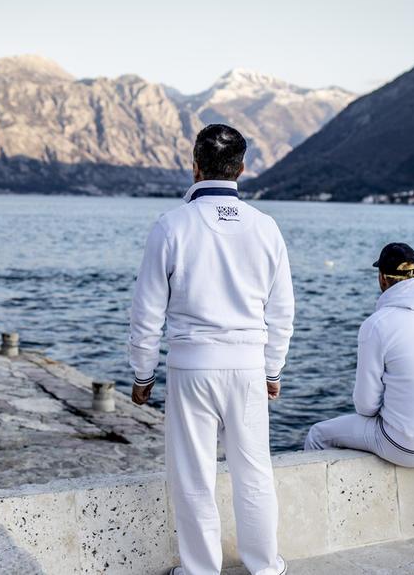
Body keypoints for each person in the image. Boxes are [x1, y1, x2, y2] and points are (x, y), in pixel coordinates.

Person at [129, 124, 294, 575]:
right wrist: (272, 370)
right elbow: (281, 311)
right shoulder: (266, 228)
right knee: (254, 472)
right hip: (247, 367)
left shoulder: (170, 225)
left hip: (191, 367)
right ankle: (265, 566)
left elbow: (147, 313)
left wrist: (143, 375)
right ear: (242, 168)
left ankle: (200, 570)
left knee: (193, 478)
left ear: (194, 165)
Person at [304, 243, 414, 467]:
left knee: (317, 435)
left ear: (382, 279)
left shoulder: (378, 325)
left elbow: (365, 406)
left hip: (406, 446)